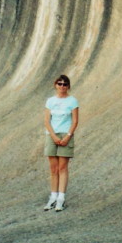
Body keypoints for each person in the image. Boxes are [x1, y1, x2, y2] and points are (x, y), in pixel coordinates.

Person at [43, 74, 79, 211]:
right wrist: (53, 136)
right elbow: (47, 120)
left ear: (68, 86)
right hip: (51, 134)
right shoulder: (50, 101)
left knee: (62, 168)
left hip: (66, 134)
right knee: (53, 169)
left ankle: (61, 199)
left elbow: (75, 121)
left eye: (65, 84)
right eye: (60, 83)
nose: (62, 86)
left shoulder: (73, 101)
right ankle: (53, 197)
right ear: (55, 85)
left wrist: (67, 136)